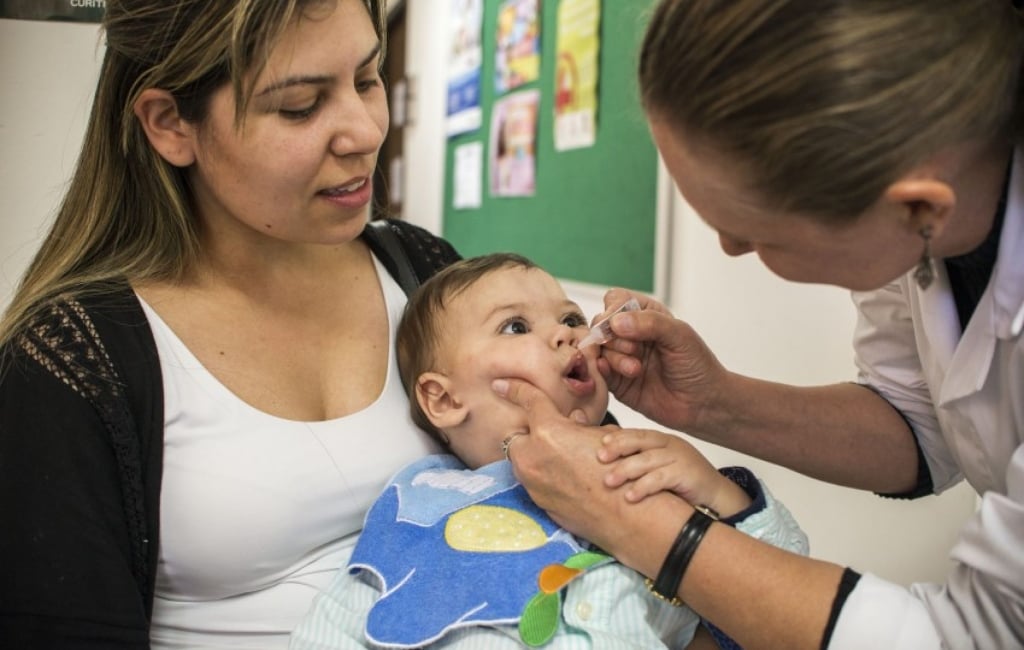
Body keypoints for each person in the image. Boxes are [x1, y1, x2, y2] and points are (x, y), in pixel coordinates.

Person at [492, 1, 1024, 648]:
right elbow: (924, 426)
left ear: (917, 207)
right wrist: (714, 402)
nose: (728, 250)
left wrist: (632, 521)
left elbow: (972, 637)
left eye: (751, 236)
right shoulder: (908, 224)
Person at [0, 1, 462, 648]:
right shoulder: (72, 362)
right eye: (300, 105)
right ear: (170, 125)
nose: (362, 131)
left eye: (367, 78)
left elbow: (565, 485)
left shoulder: (427, 272)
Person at [289, 253, 809, 649]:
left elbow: (780, 597)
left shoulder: (641, 469)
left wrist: (720, 493)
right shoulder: (421, 500)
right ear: (443, 399)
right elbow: (339, 621)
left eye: (571, 319)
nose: (565, 335)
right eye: (515, 326)